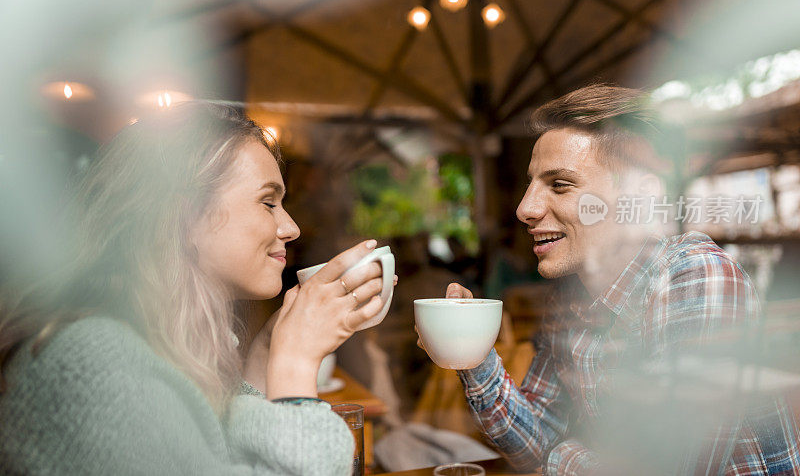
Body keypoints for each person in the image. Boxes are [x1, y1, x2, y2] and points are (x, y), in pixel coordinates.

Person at [422, 85, 800, 475]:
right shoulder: (573, 298)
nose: (525, 208)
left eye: (560, 184)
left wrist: (559, 455)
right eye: (531, 183)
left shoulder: (695, 277)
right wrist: (473, 354)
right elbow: (535, 442)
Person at [0, 102, 391, 474]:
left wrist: (264, 358)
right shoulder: (93, 360)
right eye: (268, 202)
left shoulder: (155, 342)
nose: (291, 228)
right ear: (184, 217)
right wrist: (296, 364)